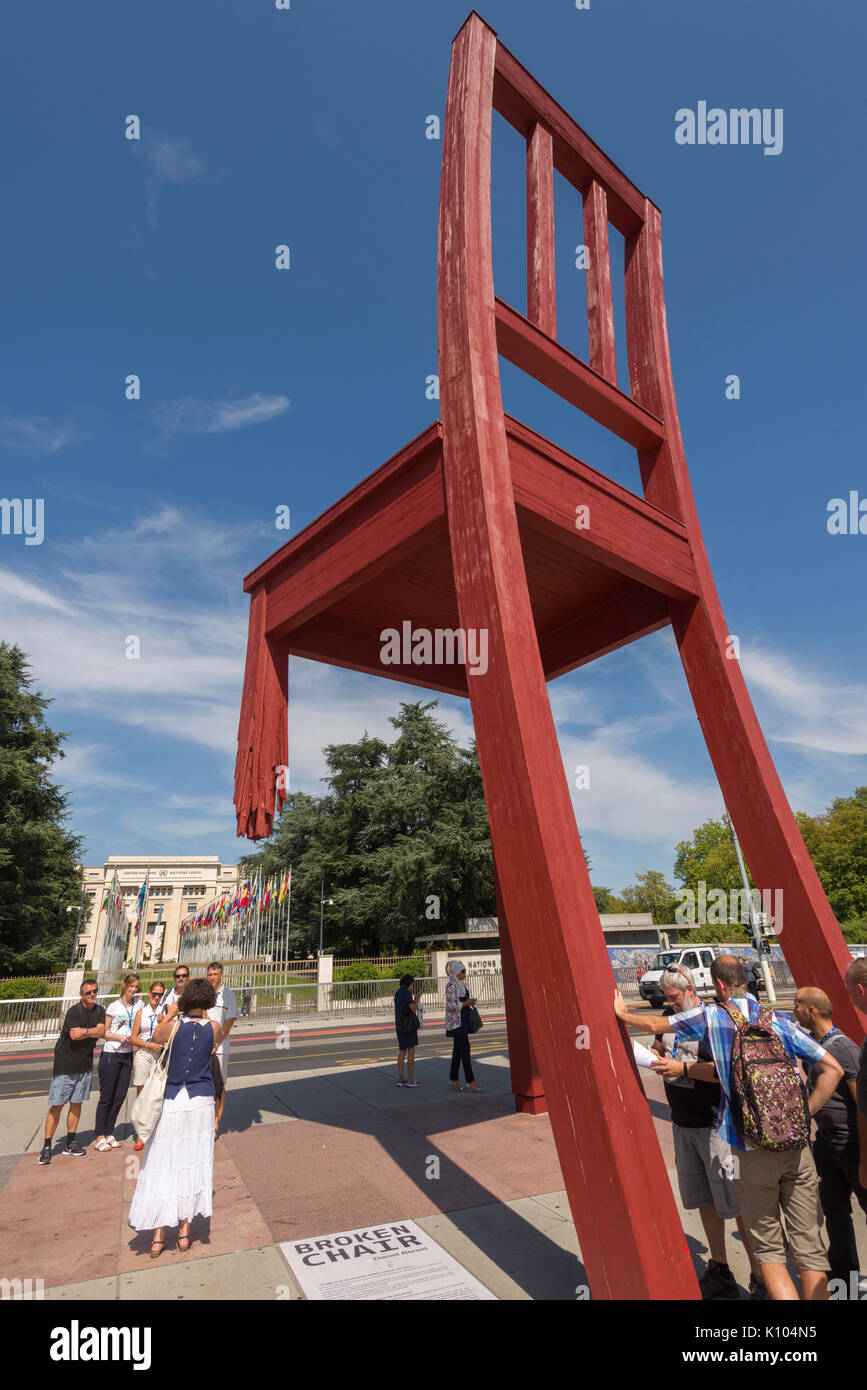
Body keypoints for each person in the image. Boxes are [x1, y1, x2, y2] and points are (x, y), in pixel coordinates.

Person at [615, 954, 844, 1300]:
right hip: (797, 1149)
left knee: (769, 1253)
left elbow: (654, 1027)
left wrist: (621, 1013)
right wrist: (803, 1114)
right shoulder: (778, 1019)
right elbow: (833, 1069)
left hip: (749, 1148)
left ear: (719, 985)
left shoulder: (712, 1017)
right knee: (810, 1251)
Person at [649, 966, 765, 1300]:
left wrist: (683, 1068)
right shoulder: (668, 1017)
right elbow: (658, 1044)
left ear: (690, 990)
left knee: (736, 1201)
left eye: (675, 997)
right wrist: (654, 1055)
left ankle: (759, 1275)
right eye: (667, 999)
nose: (671, 1004)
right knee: (703, 1200)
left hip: (716, 1127)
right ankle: (720, 1268)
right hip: (683, 1124)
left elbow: (725, 1070)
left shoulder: (710, 1020)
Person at [128, 977, 219, 1258]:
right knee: (192, 1161)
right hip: (201, 1098)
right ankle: (184, 1230)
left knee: (163, 1161)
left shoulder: (174, 1025)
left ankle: (158, 1234)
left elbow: (155, 1038)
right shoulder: (214, 1028)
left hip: (173, 1097)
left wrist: (170, 1011)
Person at [794, 986, 867, 1287]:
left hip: (852, 1146)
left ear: (812, 1011)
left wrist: (864, 1157)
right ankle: (844, 1281)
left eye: (797, 1004)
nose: (793, 1008)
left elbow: (861, 1104)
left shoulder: (844, 1048)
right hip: (827, 1144)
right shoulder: (817, 1047)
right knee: (835, 1213)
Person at [38, 979, 107, 1164]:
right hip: (65, 1066)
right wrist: (92, 1031)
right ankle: (46, 1147)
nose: (92, 994)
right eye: (88, 992)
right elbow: (75, 1035)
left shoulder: (100, 1010)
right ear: (81, 995)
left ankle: (70, 1142)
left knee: (76, 1104)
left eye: (94, 991)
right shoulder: (74, 1012)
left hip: (84, 1066)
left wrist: (89, 1031)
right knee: (57, 1105)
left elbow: (101, 1032)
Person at [94, 973, 141, 1151]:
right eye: (131, 986)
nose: (134, 989)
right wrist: (119, 1037)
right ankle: (100, 1135)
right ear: (124, 986)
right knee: (107, 1096)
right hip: (111, 1054)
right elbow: (103, 1032)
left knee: (120, 1096)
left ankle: (109, 1132)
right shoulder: (113, 1007)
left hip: (127, 1054)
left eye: (136, 987)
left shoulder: (139, 1004)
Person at [131, 982, 166, 1151]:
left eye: (160, 995)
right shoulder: (141, 1013)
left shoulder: (164, 1012)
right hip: (145, 1053)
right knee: (143, 1093)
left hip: (159, 1055)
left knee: (157, 1093)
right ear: (148, 993)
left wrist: (164, 1021)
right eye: (154, 994)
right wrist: (149, 1045)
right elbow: (133, 1037)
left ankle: (154, 1130)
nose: (156, 997)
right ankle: (141, 1132)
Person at [206, 962, 237, 1135]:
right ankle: (207, 1121)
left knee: (219, 1086)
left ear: (221, 975)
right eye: (210, 974)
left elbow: (228, 1022)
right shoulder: (205, 995)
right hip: (204, 1048)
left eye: (215, 974)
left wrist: (216, 1043)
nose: (212, 977)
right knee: (205, 1085)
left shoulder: (229, 995)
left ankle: (216, 1122)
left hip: (219, 1048)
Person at [445, 960, 484, 1093]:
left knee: (458, 1051)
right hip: (457, 1023)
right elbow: (450, 1005)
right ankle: (471, 1081)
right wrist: (465, 1003)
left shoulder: (462, 985)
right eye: (463, 971)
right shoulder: (451, 985)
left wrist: (469, 1002)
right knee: (465, 1050)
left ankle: (453, 1079)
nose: (464, 973)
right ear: (456, 972)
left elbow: (463, 1001)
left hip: (464, 1021)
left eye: (465, 971)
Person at [394, 973, 421, 1087]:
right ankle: (411, 1079)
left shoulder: (398, 993)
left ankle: (401, 1079)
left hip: (399, 1024)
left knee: (402, 1051)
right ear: (409, 983)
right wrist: (416, 999)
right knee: (411, 1051)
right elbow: (413, 1009)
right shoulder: (407, 993)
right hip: (408, 1025)